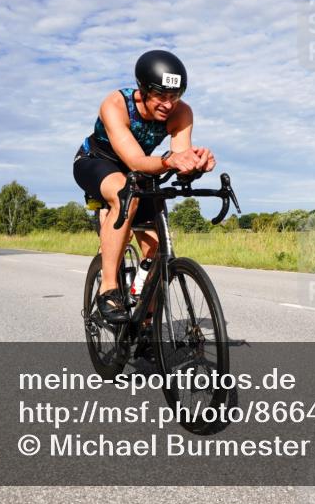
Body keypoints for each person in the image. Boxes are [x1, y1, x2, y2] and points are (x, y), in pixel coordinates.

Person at [73, 50, 215, 323]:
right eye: (161, 96)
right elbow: (135, 160)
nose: (168, 104)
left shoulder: (182, 113)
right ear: (142, 90)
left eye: (174, 96)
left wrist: (194, 165)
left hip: (140, 171)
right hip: (97, 161)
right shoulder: (116, 104)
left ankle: (147, 325)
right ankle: (109, 288)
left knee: (157, 248)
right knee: (124, 194)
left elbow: (179, 156)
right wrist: (172, 160)